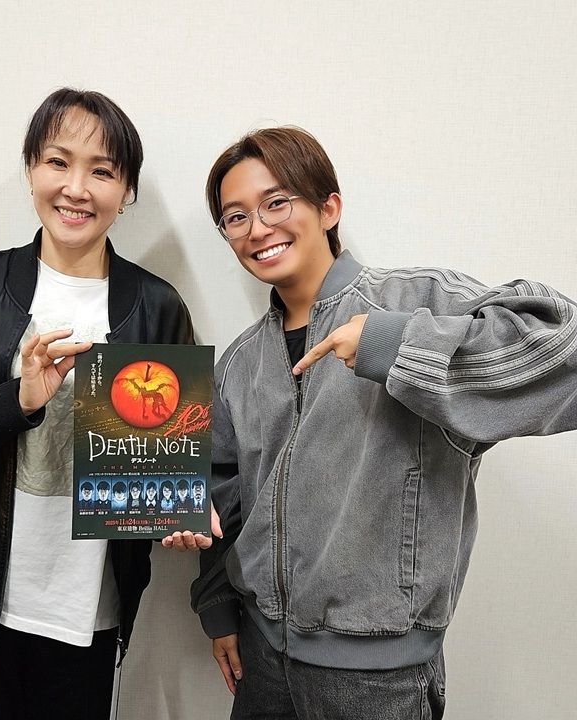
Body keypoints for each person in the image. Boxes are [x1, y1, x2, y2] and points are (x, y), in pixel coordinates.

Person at [183, 127, 577, 719]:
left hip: (380, 679)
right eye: (235, 217)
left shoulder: (417, 300)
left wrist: (391, 343)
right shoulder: (239, 363)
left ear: (329, 208)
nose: (257, 228)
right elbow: (224, 495)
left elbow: (565, 347)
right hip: (261, 657)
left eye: (276, 203)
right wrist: (217, 606)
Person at [0, 87, 194, 720]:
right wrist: (15, 400)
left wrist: (179, 506)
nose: (76, 188)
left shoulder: (155, 307)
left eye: (102, 171)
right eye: (58, 162)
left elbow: (162, 471)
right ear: (30, 170)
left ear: (125, 191)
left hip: (89, 614)